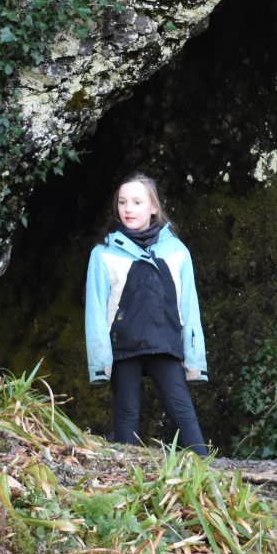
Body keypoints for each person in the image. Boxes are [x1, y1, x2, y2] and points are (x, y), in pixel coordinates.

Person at [84, 173, 209, 455]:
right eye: (123, 202)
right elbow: (94, 311)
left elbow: (189, 308)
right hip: (124, 348)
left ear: (153, 207)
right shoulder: (103, 253)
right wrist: (100, 363)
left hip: (164, 344)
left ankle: (208, 473)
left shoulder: (177, 251)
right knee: (126, 417)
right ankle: (125, 483)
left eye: (137, 202)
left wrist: (195, 360)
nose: (128, 209)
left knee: (184, 413)